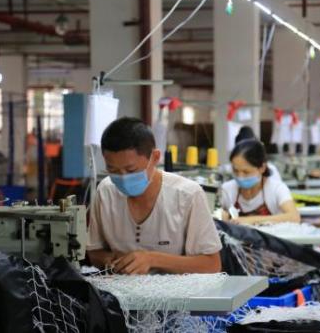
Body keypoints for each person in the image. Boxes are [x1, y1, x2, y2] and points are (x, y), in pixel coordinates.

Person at [87, 117, 222, 274]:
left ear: (155, 158)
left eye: (131, 170)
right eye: (113, 170)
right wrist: (110, 260)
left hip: (178, 295)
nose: (123, 178)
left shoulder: (188, 195)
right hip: (121, 293)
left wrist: (152, 259)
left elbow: (212, 264)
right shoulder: (105, 192)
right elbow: (94, 251)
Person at [220, 139, 300, 225]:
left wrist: (249, 220)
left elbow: (294, 217)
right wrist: (222, 215)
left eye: (246, 172)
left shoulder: (276, 189)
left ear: (262, 168)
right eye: (235, 171)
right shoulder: (227, 189)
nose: (240, 176)